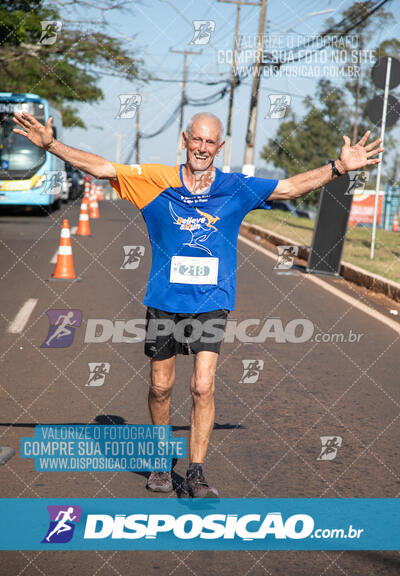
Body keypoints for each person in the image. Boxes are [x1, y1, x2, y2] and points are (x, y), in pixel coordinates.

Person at [13, 110, 383, 497]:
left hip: (212, 300)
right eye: (197, 140)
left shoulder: (235, 186)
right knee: (160, 387)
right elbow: (104, 168)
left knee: (202, 386)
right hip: (164, 300)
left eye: (211, 142)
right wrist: (51, 145)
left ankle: (197, 471)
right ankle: (160, 460)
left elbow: (289, 188)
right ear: (185, 141)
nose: (202, 148)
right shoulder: (155, 180)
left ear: (219, 147)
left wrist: (339, 166)